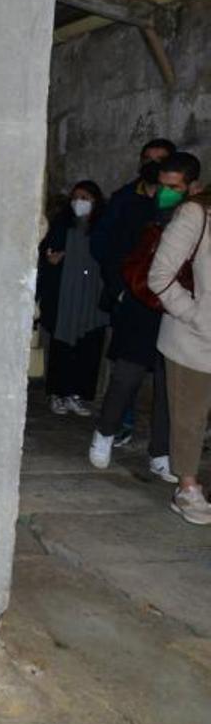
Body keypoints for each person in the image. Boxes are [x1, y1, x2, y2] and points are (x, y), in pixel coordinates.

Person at [89, 154, 189, 481]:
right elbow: (117, 253)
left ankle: (160, 453)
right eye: (162, 185)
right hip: (139, 306)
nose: (166, 192)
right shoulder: (137, 212)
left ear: (191, 186)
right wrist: (122, 292)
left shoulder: (194, 217)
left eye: (173, 187)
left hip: (175, 312)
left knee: (167, 387)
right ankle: (104, 433)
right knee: (126, 377)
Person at [146, 153, 210, 524]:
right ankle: (187, 488)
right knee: (189, 416)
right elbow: (160, 276)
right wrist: (196, 315)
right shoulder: (195, 215)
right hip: (194, 338)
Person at [37, 180, 109, 416]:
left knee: (88, 345)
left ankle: (78, 394)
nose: (80, 202)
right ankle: (58, 393)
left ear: (95, 201)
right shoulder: (61, 224)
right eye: (76, 197)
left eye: (86, 198)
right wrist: (51, 261)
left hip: (91, 295)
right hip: (65, 296)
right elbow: (47, 254)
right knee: (62, 345)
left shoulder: (103, 226)